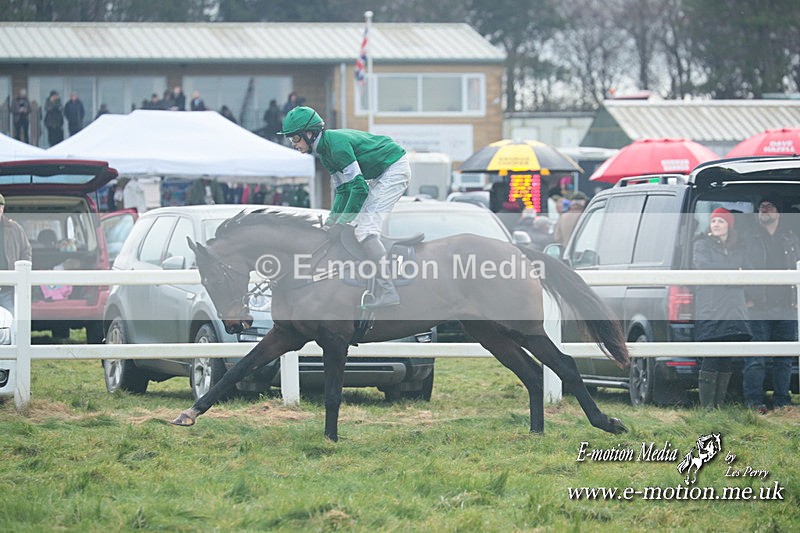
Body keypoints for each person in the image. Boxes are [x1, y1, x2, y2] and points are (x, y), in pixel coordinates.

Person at [279, 106, 410, 309]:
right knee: (354, 225)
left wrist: (341, 223)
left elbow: (359, 189)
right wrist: (331, 222)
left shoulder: (336, 147)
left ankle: (388, 291)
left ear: (309, 133)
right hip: (381, 171)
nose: (293, 144)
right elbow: (343, 191)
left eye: (295, 138)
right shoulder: (324, 153)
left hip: (394, 168)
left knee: (365, 230)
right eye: (290, 139)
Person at [743, 196, 800, 412]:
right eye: (761, 207)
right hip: (758, 307)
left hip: (787, 307)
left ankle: (782, 402)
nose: (764, 210)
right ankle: (754, 402)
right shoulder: (750, 238)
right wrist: (747, 297)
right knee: (755, 358)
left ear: (779, 211)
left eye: (769, 206)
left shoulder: (791, 239)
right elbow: (740, 268)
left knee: (784, 359)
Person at [692, 208, 752, 408]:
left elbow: (749, 271)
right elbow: (703, 267)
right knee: (711, 356)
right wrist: (734, 271)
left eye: (721, 221)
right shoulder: (701, 244)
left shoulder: (740, 247)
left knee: (727, 357)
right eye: (713, 221)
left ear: (729, 225)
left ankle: (718, 406)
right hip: (711, 309)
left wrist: (744, 288)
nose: (716, 224)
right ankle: (707, 407)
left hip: (734, 309)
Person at [0, 193, 33, 315]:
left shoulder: (15, 228)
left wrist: (23, 274)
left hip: (8, 290)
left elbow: (26, 251)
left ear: (2, 209)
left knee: (13, 321)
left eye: (0, 207)